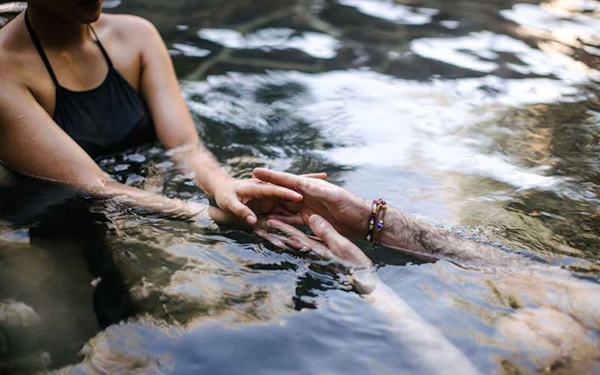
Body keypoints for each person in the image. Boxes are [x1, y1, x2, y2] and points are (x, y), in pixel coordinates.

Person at [0, 0, 311, 227]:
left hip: (144, 191)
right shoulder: (6, 71)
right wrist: (227, 220)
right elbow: (95, 187)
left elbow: (186, 147)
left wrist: (223, 186)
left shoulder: (136, 36)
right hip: (53, 221)